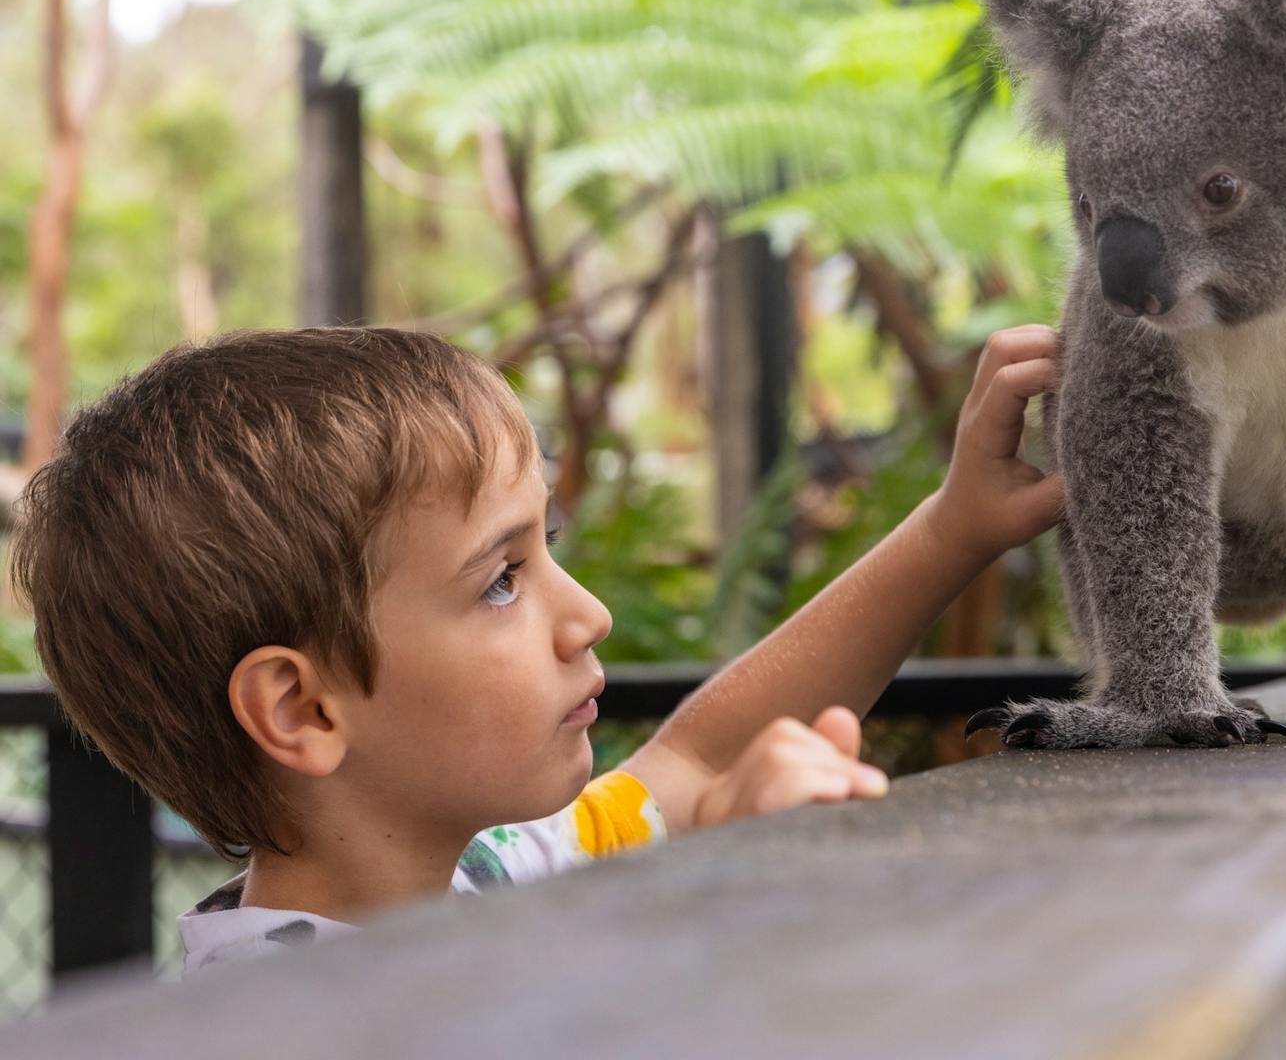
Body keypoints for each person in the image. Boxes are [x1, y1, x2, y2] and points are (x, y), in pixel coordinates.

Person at [7, 324, 1063, 972]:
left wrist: (952, 527)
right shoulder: (286, 1025)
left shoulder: (493, 870)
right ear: (304, 710)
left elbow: (694, 762)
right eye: (501, 579)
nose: (588, 615)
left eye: (543, 547)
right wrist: (726, 917)